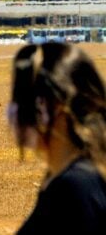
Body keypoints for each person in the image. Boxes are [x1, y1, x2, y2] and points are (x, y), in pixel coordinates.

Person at [7, 43, 106, 234]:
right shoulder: (64, 178)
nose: (13, 109)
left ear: (56, 105)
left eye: (22, 97)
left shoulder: (77, 187)